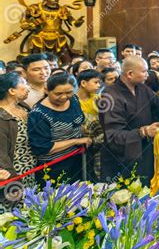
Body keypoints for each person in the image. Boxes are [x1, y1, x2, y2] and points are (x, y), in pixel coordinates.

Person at [99, 56, 159, 184]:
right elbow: (114, 135)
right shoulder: (110, 96)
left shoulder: (142, 88)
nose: (147, 75)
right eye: (144, 71)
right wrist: (143, 132)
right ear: (130, 74)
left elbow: (158, 109)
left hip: (145, 154)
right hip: (120, 159)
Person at [28, 74, 92, 185]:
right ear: (47, 90)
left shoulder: (74, 100)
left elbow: (78, 122)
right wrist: (77, 141)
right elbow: (43, 148)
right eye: (58, 94)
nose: (64, 97)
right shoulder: (39, 114)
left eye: (68, 93)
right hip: (54, 165)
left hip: (77, 157)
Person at [0, 73, 36, 212]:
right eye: (24, 83)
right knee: (15, 215)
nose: (28, 87)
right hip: (14, 172)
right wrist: (12, 179)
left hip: (31, 169)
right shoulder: (2, 117)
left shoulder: (23, 107)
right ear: (11, 90)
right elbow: (1, 153)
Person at [77, 70, 105, 182]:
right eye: (96, 82)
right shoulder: (73, 100)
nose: (99, 85)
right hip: (81, 142)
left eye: (100, 83)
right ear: (83, 83)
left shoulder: (99, 98)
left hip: (99, 141)